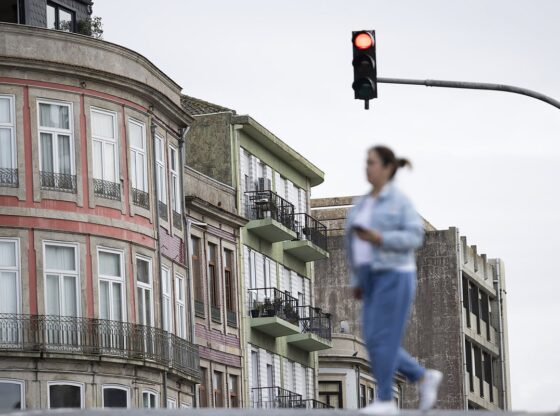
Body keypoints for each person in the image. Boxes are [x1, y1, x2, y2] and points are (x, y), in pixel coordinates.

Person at [345, 145, 442, 415]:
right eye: (366, 162)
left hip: (395, 274)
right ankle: (422, 376)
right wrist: (357, 279)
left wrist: (380, 238)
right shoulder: (363, 203)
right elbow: (353, 244)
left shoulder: (399, 202)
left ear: (388, 168)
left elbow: (414, 237)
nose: (367, 167)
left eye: (372, 162)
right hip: (370, 278)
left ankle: (386, 399)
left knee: (384, 338)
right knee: (373, 339)